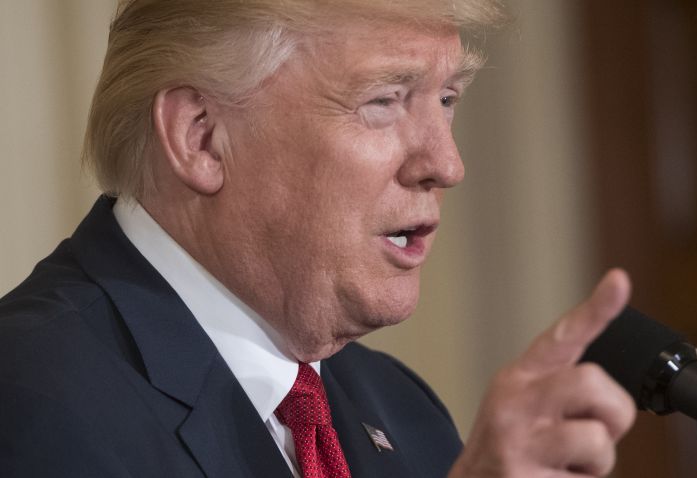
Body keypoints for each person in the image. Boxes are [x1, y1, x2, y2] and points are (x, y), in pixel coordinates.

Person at [0, 1, 635, 477]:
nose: (446, 164)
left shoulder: (400, 409)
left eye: (446, 99)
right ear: (200, 136)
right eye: (384, 100)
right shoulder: (31, 392)